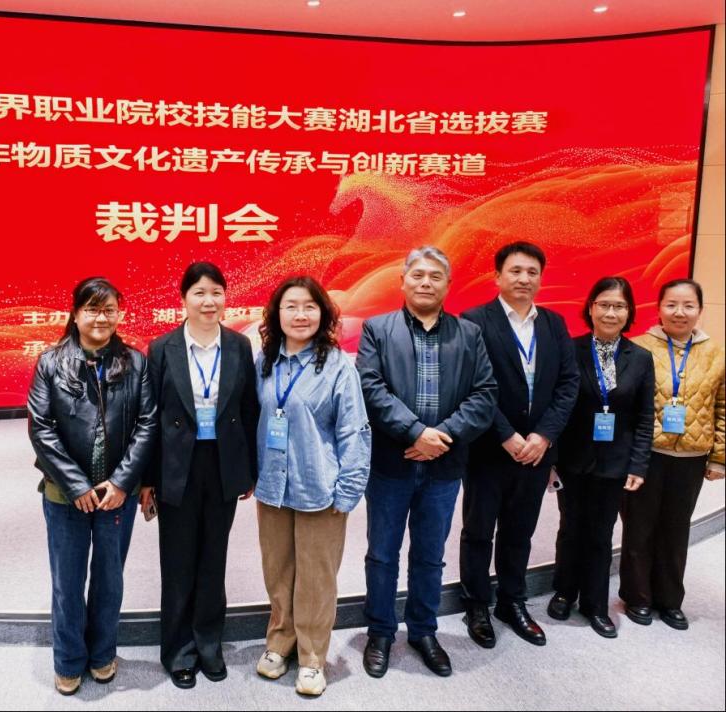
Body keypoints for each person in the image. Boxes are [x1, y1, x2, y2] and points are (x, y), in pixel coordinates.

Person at [357, 246, 497, 679]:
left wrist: (442, 437)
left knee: (430, 555)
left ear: (448, 285)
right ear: (402, 281)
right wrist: (415, 432)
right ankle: (380, 631)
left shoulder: (469, 334)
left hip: (444, 467)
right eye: (417, 275)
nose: (425, 282)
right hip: (390, 463)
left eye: (435, 276)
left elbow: (485, 394)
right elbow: (370, 388)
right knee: (383, 554)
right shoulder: (377, 329)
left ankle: (423, 630)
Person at [26, 277, 157, 696]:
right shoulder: (50, 363)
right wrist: (77, 484)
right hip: (65, 496)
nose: (101, 318)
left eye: (109, 310)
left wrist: (122, 482)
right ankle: (68, 660)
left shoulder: (135, 363)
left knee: (109, 579)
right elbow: (41, 428)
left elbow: (147, 424)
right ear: (76, 313)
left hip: (117, 496)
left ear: (119, 313)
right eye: (92, 309)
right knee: (67, 582)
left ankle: (102, 654)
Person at [142, 262, 260, 689]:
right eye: (199, 293)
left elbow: (249, 411)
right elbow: (149, 418)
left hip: (223, 464)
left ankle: (209, 644)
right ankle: (178, 650)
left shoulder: (238, 346)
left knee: (214, 557)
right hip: (177, 467)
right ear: (183, 300)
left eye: (216, 292)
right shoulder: (162, 348)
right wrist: (146, 480)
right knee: (178, 561)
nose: (209, 301)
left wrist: (249, 471)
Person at [252, 276, 371, 697]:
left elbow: (355, 430)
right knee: (278, 570)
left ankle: (312, 657)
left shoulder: (338, 365)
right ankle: (279, 642)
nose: (300, 315)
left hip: (320, 486)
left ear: (323, 313)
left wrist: (349, 489)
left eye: (309, 306)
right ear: (276, 314)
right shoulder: (265, 362)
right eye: (291, 306)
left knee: (317, 576)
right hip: (272, 485)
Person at [459, 241, 580, 648]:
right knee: (479, 531)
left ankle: (512, 601)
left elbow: (568, 384)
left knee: (520, 532)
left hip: (536, 451)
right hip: (489, 449)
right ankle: (477, 604)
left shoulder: (554, 324)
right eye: (515, 271)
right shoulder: (474, 321)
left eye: (532, 272)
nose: (524, 278)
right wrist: (506, 434)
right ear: (497, 276)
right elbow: (471, 386)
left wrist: (544, 435)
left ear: (541, 279)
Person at [547, 277, 654, 638]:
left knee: (601, 533)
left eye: (619, 306)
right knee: (570, 527)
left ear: (629, 312)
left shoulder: (641, 358)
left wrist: (638, 464)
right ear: (591, 308)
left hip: (615, 462)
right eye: (604, 304)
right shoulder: (570, 350)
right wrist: (551, 458)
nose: (611, 312)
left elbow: (644, 417)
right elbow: (557, 406)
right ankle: (564, 591)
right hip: (572, 459)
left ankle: (595, 604)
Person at [619, 278, 725, 630]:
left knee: (676, 530)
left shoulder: (716, 354)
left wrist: (719, 457)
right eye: (672, 304)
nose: (680, 312)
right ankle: (637, 597)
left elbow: (723, 408)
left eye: (688, 305)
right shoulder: (637, 348)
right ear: (659, 308)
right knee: (639, 527)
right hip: (645, 455)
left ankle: (669, 600)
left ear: (700, 310)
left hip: (691, 459)